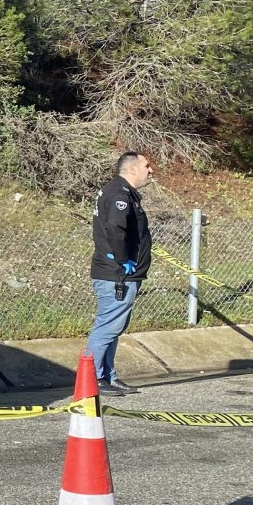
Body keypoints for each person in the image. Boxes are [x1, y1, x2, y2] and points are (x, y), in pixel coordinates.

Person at [87, 151, 153, 397]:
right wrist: (124, 260)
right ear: (132, 169)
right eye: (147, 165)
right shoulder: (119, 194)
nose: (150, 170)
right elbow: (116, 228)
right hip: (117, 275)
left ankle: (108, 376)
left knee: (114, 327)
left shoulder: (122, 192)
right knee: (106, 327)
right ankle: (91, 378)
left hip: (121, 274)